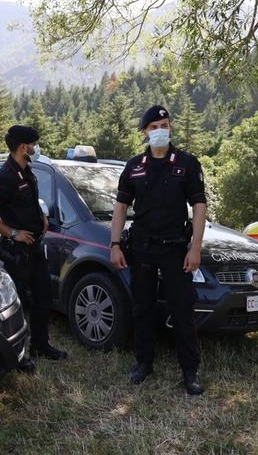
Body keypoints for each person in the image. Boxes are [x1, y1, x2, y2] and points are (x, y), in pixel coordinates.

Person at [109, 105, 207, 395]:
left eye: (164, 125)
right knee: (143, 307)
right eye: (153, 127)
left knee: (182, 309)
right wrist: (115, 244)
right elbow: (120, 208)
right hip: (141, 248)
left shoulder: (187, 164)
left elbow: (199, 206)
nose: (159, 130)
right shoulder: (134, 166)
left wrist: (196, 248)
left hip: (176, 249)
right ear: (144, 133)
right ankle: (143, 362)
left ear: (171, 127)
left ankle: (190, 370)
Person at [0, 124, 68, 365]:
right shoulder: (4, 176)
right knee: (14, 304)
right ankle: (16, 355)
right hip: (16, 252)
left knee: (43, 297)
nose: (37, 148)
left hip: (34, 249)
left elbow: (28, 202)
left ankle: (40, 346)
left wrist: (42, 216)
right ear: (22, 148)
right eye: (34, 144)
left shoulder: (27, 171)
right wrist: (13, 232)